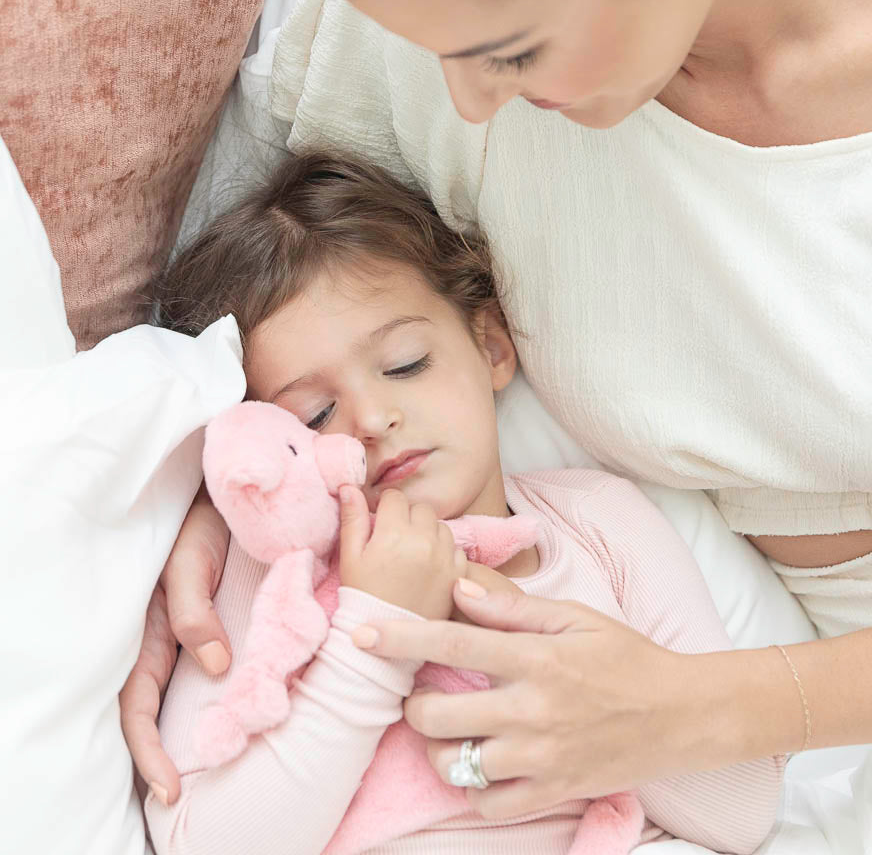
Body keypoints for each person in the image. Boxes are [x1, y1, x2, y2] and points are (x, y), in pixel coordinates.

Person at [123, 0, 872, 821]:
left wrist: (692, 713)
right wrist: (244, 497)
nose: (466, 104)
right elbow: (253, 290)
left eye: (511, 50)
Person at [142, 151, 784, 855]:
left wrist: (607, 707)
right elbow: (201, 840)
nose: (374, 418)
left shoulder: (604, 525)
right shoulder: (273, 576)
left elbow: (745, 809)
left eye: (406, 365)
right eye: (316, 413)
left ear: (491, 346)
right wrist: (375, 637)